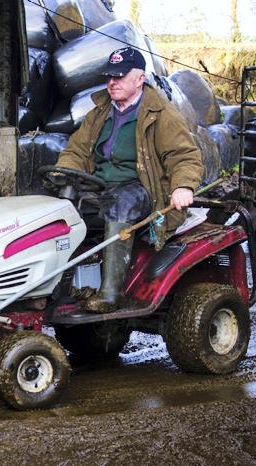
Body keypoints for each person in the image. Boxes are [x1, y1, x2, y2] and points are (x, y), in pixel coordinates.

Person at [56, 47, 203, 313]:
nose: (113, 82)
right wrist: (64, 172)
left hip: (142, 188)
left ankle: (111, 294)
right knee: (58, 206)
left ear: (139, 79)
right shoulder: (100, 112)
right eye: (110, 76)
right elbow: (76, 151)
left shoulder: (161, 114)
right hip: (100, 185)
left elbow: (185, 156)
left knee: (121, 204)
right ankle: (60, 285)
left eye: (120, 77)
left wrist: (183, 186)